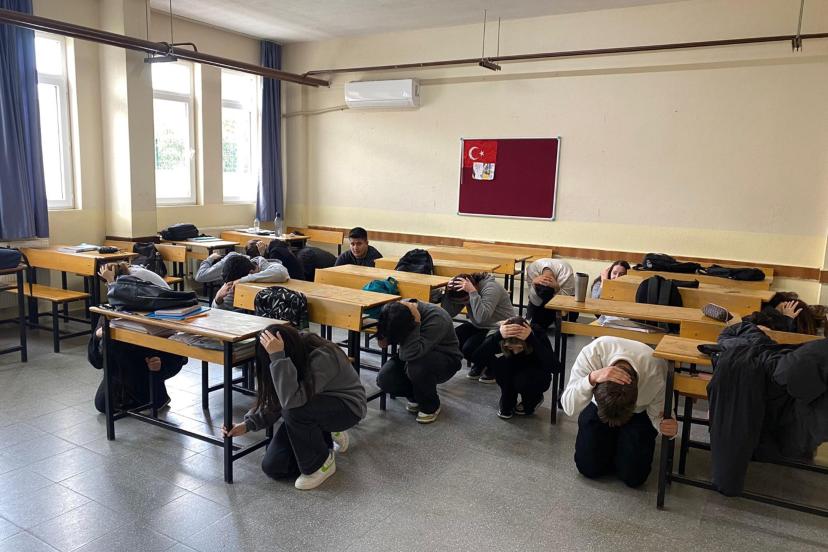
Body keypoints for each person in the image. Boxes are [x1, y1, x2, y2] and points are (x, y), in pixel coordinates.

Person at [222, 325, 367, 490]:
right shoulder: (293, 352)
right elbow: (279, 398)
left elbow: (290, 402)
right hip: (309, 406)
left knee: (293, 410)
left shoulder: (322, 355)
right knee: (273, 466)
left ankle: (321, 464)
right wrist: (247, 424)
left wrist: (278, 357)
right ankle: (322, 435)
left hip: (347, 407)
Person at [561, 336, 678, 488]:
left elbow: (659, 415)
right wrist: (591, 378)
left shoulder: (656, 371)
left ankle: (618, 449)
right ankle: (614, 449)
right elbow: (568, 406)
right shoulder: (593, 353)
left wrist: (667, 427)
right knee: (587, 468)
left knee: (634, 478)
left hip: (638, 413)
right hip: (601, 408)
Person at [90, 264, 185, 412]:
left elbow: (178, 354)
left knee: (124, 354)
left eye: (110, 285)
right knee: (102, 405)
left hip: (145, 365)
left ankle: (150, 394)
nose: (109, 290)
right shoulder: (109, 313)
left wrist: (161, 364)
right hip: (119, 370)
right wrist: (97, 337)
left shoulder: (142, 287)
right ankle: (132, 394)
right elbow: (95, 361)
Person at [375, 300, 462, 424]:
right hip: (413, 354)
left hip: (445, 359)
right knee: (384, 379)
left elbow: (408, 355)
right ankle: (416, 396)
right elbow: (383, 344)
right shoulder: (395, 311)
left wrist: (416, 323)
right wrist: (383, 332)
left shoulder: (437, 318)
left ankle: (431, 406)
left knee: (416, 368)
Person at [473, 317, 557, 419]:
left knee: (522, 382)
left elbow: (555, 367)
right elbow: (477, 357)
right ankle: (508, 398)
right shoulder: (502, 334)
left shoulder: (537, 333)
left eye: (520, 348)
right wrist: (497, 335)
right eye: (510, 348)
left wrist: (532, 339)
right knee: (500, 364)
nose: (516, 352)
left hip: (535, 373)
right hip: (513, 369)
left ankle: (533, 398)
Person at [441, 272, 516, 383]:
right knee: (454, 338)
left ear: (474, 286)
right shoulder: (465, 290)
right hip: (480, 325)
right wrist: (447, 292)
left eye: (466, 300)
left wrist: (472, 293)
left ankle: (495, 367)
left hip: (500, 327)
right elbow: (448, 312)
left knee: (469, 348)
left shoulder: (491, 288)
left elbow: (482, 318)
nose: (465, 303)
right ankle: (481, 362)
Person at [212, 255, 289, 311]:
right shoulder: (234, 276)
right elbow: (218, 313)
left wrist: (243, 280)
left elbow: (282, 274)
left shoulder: (267, 267)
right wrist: (218, 300)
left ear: (251, 273)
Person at [525, 258, 575, 329]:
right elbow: (533, 300)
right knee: (534, 324)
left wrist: (557, 288)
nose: (546, 279)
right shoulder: (532, 269)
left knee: (566, 328)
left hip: (568, 297)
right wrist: (533, 284)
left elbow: (565, 302)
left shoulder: (566, 273)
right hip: (541, 299)